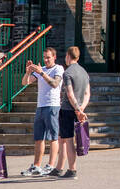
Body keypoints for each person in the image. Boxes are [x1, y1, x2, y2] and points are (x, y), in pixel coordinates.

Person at [21, 47, 64, 177]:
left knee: (53, 137)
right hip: (40, 106)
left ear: (54, 57)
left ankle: (51, 166)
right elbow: (24, 83)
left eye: (48, 57)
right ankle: (36, 166)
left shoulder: (58, 69)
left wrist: (41, 73)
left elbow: (55, 83)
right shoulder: (42, 70)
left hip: (52, 106)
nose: (45, 60)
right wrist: (28, 72)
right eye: (44, 57)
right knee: (39, 138)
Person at [49, 45, 90, 179]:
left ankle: (72, 170)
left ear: (68, 56)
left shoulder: (67, 73)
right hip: (78, 109)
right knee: (61, 138)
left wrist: (77, 109)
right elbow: (87, 93)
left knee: (68, 140)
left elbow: (70, 94)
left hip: (67, 109)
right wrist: (81, 109)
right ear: (77, 57)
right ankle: (59, 168)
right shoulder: (84, 72)